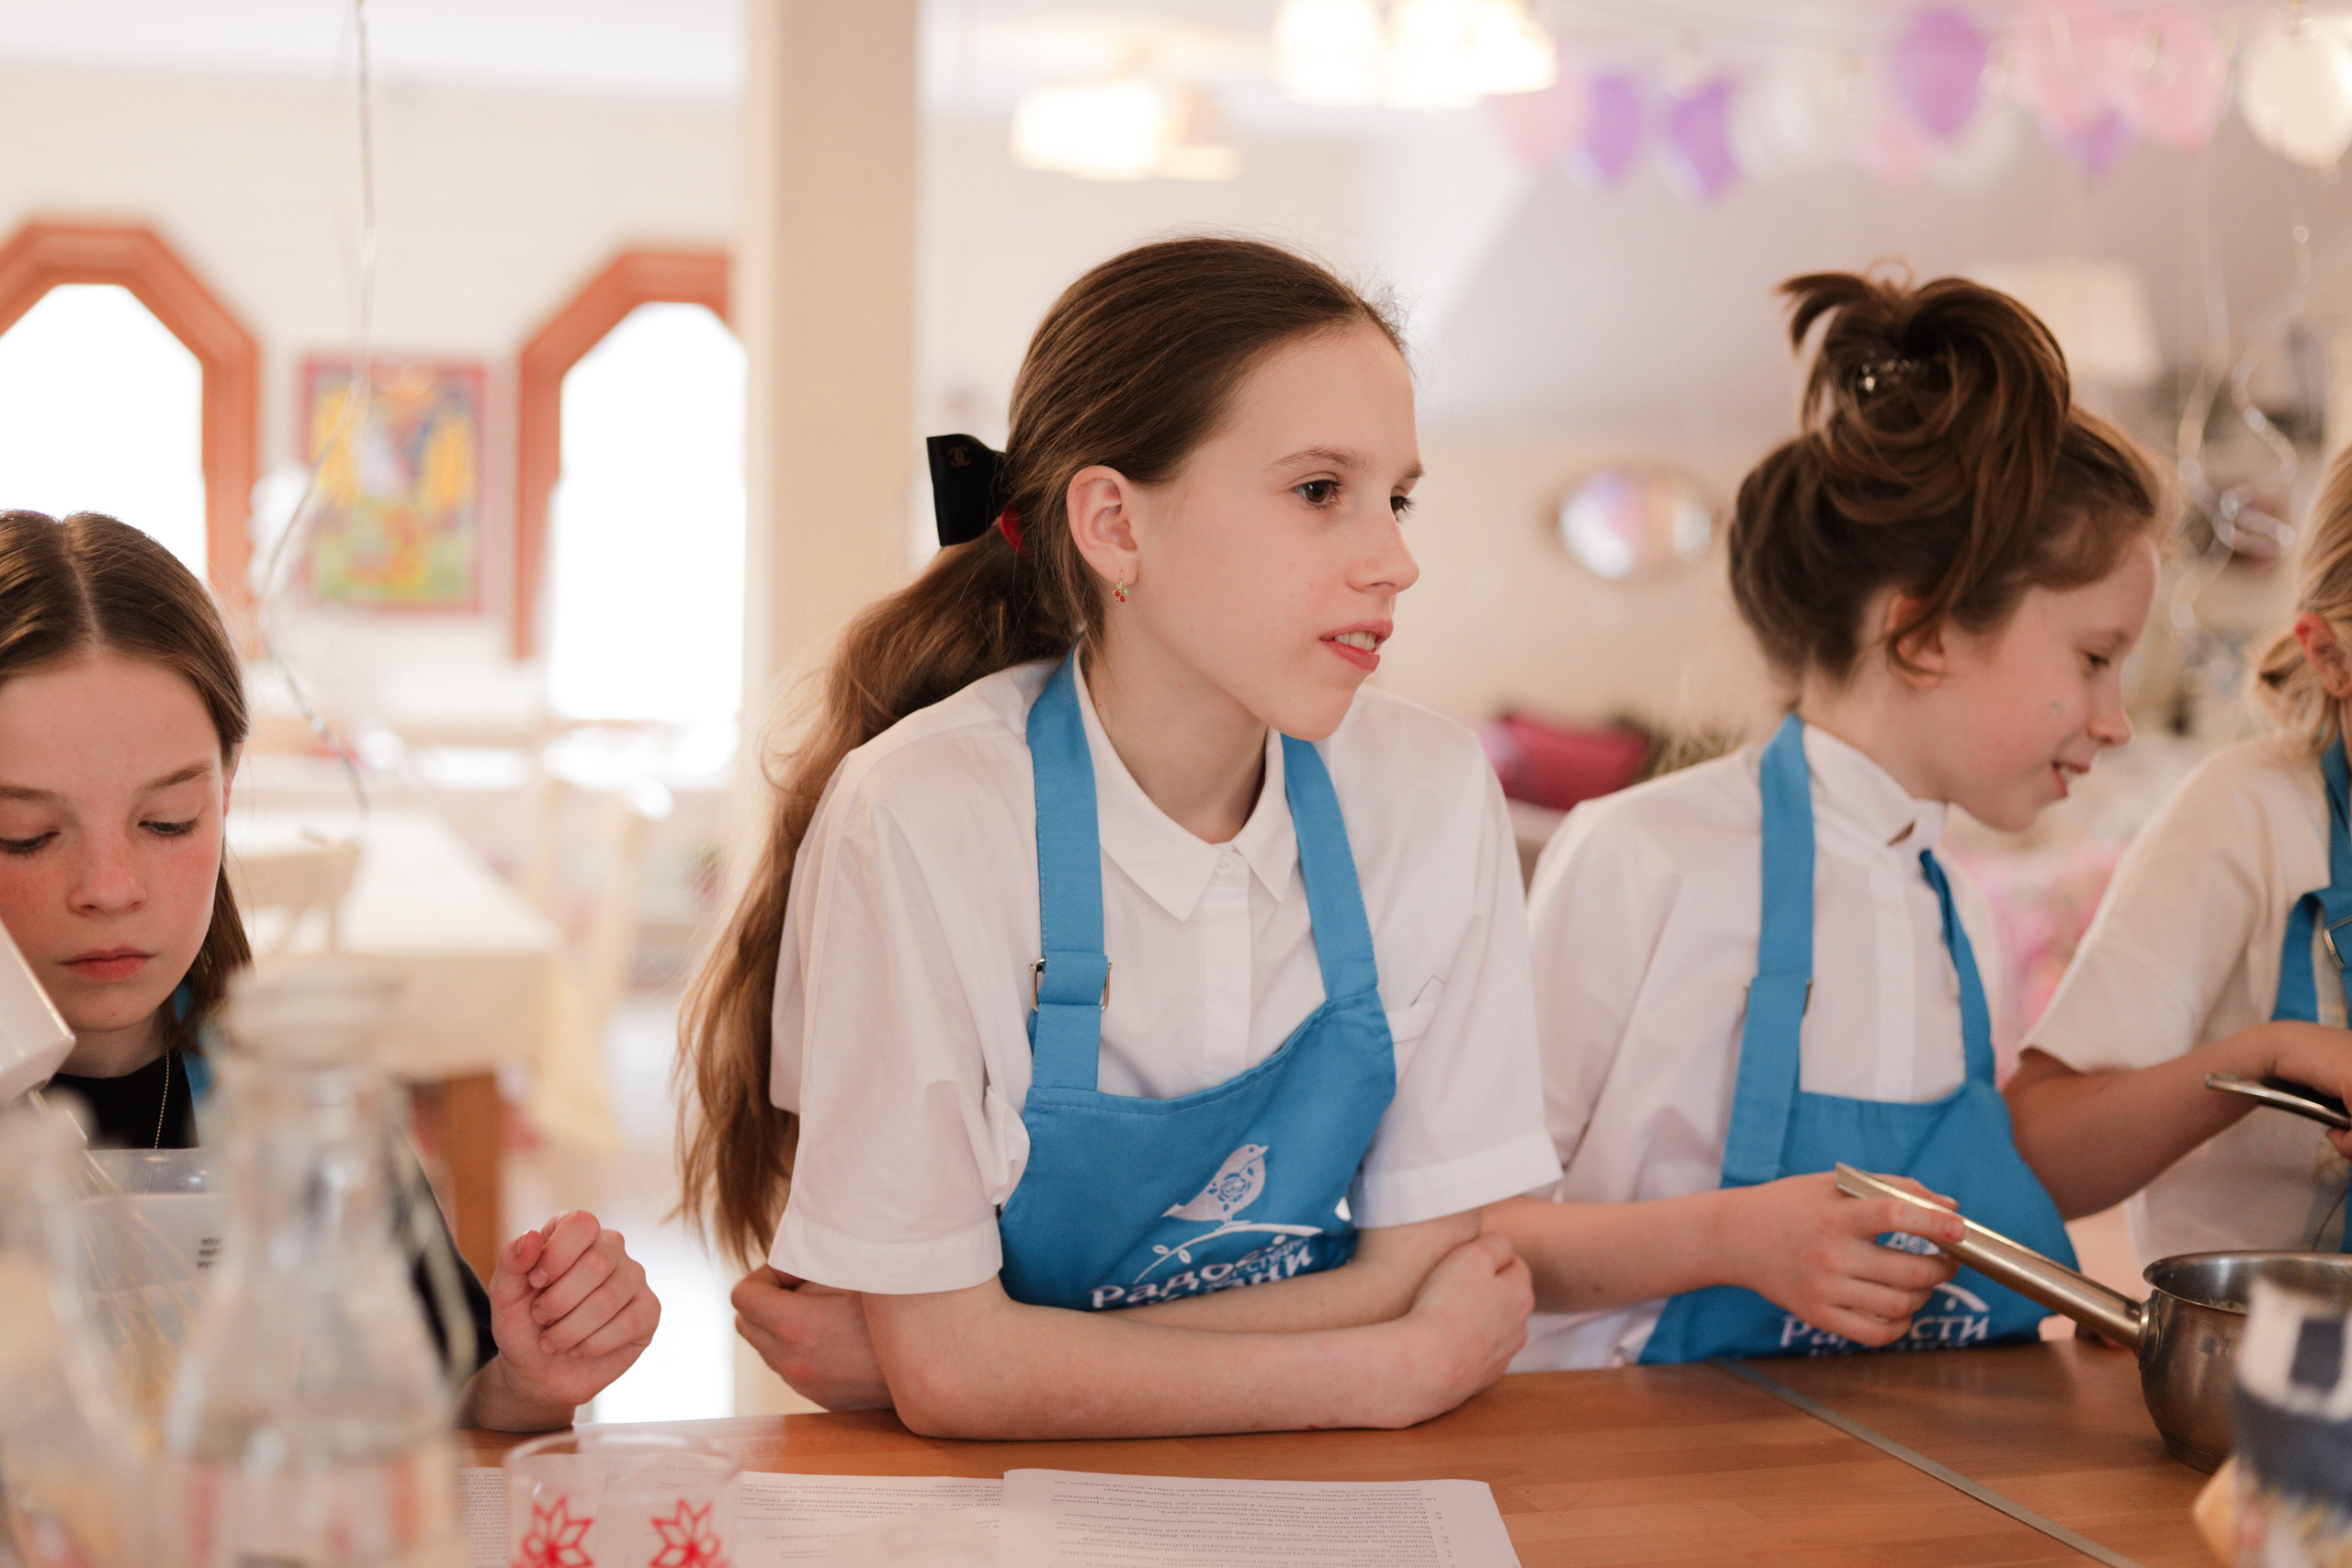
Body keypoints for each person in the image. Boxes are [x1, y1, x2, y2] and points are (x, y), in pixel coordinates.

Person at [678, 236, 1558, 1439]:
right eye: (1319, 490)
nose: (1395, 558)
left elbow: (1429, 1264)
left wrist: (991, 1357)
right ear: (1114, 522)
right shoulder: (927, 816)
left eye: (1395, 496)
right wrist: (1386, 1367)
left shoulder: (1431, 787)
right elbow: (956, 1376)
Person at [1490, 270, 2165, 1368]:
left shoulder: (1956, 912)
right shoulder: (1642, 859)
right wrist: (1729, 1239)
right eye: (2093, 660)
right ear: (1926, 634)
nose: (2118, 720)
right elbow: (1474, 1238)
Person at [5, 508, 657, 1431]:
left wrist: (526, 1380)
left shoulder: (303, 1103)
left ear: (227, 792)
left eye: (167, 823)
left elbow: (449, 1402)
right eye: (26, 835)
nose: (109, 888)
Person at [2005, 448, 2352, 1259]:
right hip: (2246, 1358)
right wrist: (2267, 1056)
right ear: (2329, 655)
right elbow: (2038, 1151)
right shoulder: (2248, 812)